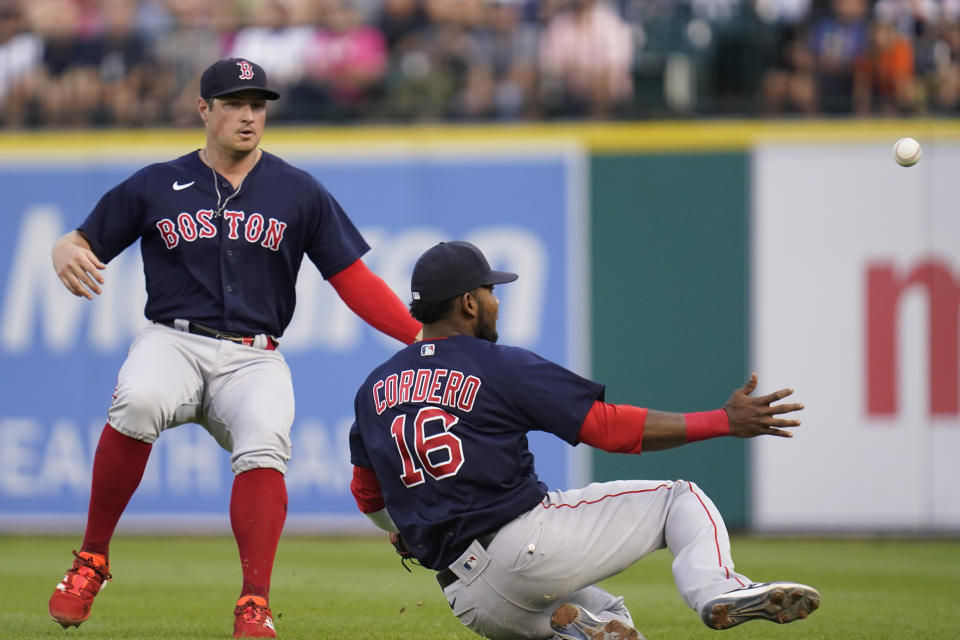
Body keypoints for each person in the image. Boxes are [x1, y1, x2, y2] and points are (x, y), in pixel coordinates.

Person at [47, 57, 422, 639]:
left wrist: (420, 337)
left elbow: (353, 279)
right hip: (174, 339)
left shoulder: (298, 191)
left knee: (265, 442)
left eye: (257, 105)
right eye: (233, 104)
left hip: (255, 355)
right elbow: (81, 237)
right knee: (140, 399)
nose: (248, 116)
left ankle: (254, 603)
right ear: (204, 109)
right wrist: (62, 246)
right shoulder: (156, 182)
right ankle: (91, 558)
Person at [348, 241, 820, 640]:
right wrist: (722, 420)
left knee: (613, 621)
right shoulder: (497, 364)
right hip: (525, 550)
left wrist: (411, 527)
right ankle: (720, 590)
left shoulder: (373, 389)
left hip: (469, 598)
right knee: (679, 500)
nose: (497, 300)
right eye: (491, 290)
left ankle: (584, 628)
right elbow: (608, 429)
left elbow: (369, 497)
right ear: (469, 303)